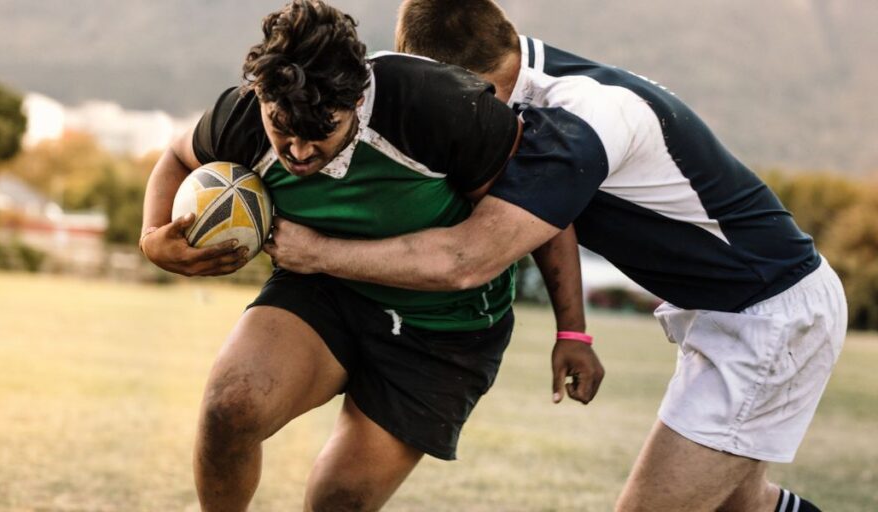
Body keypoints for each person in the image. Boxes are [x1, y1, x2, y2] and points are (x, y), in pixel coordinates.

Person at [264, 1, 848, 511]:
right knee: (741, 505)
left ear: (450, 79)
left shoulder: (580, 116)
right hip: (737, 310)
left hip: (770, 316)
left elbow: (467, 260)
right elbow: (550, 211)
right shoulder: (531, 91)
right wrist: (575, 332)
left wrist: (315, 253)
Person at [139, 1, 601, 509]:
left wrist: (573, 330)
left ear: (358, 99)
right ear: (260, 94)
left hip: (444, 329)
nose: (296, 152)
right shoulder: (243, 117)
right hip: (323, 294)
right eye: (281, 128)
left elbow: (544, 206)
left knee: (336, 500)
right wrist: (152, 238)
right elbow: (178, 156)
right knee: (229, 410)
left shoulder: (440, 106)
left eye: (320, 133)